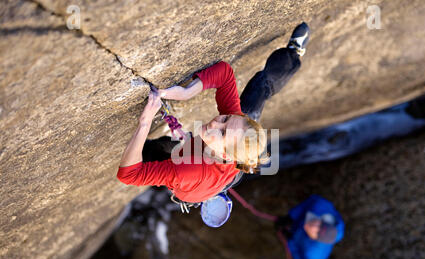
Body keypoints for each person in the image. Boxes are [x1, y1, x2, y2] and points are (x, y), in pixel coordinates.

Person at [116, 23, 310, 206]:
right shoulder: (236, 126)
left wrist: (145, 123)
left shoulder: (188, 171)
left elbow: (128, 174)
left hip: (202, 175)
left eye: (222, 132)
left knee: (152, 150)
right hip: (233, 163)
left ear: (226, 154)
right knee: (261, 87)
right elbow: (224, 74)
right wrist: (186, 92)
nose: (215, 123)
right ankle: (293, 54)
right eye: (225, 119)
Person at [276, 195, 345, 259]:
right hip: (297, 228)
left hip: (296, 231)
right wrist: (291, 216)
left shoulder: (311, 257)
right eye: (319, 225)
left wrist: (289, 239)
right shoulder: (321, 210)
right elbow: (314, 200)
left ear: (315, 239)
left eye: (315, 232)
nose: (312, 227)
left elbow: (295, 252)